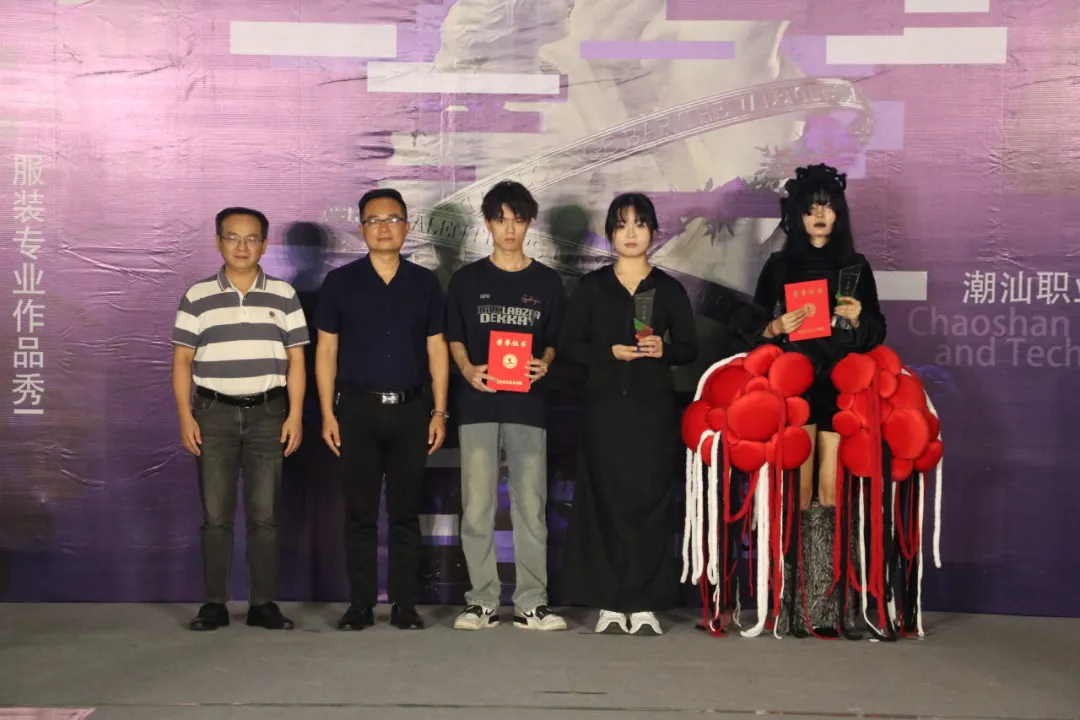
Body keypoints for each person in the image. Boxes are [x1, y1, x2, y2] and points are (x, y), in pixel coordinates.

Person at [734, 164, 887, 636]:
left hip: (839, 392)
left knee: (831, 492)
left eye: (827, 207)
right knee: (796, 495)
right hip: (796, 390)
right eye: (810, 208)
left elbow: (877, 332)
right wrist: (777, 326)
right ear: (797, 216)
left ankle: (829, 605)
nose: (819, 215)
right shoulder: (779, 267)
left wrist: (858, 318)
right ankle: (791, 603)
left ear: (839, 213)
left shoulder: (856, 267)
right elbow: (751, 324)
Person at [559, 193, 698, 635]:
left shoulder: (669, 289)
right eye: (622, 225)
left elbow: (690, 348)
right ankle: (609, 600)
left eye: (640, 224)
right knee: (604, 503)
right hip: (603, 412)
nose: (632, 233)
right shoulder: (592, 288)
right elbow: (568, 346)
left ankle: (644, 602)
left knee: (650, 504)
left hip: (652, 413)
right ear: (610, 234)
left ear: (653, 232)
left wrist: (664, 350)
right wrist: (609, 352)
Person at [314, 188, 450, 631]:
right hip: (356, 410)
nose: (384, 228)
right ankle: (360, 604)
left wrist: (439, 412)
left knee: (406, 513)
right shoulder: (340, 283)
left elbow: (437, 350)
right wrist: (328, 413)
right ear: (361, 229)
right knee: (360, 514)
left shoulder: (424, 283)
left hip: (412, 411)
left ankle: (404, 605)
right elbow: (326, 351)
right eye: (374, 221)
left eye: (392, 219)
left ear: (407, 227)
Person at [171, 207, 308, 631]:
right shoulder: (197, 296)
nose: (242, 246)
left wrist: (295, 415)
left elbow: (297, 361)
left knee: (264, 516)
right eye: (233, 237)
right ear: (218, 242)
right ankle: (214, 603)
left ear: (265, 245)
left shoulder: (284, 295)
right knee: (216, 516)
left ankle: (262, 603)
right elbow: (182, 360)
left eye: (251, 239)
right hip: (213, 414)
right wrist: (185, 416)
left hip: (269, 414)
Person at [445, 180, 567, 631]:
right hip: (477, 404)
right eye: (500, 220)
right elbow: (454, 335)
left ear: (530, 222)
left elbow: (554, 340)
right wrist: (467, 369)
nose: (509, 229)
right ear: (487, 223)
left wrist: (545, 362)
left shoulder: (547, 282)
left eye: (517, 219)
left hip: (528, 406)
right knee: (477, 506)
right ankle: (482, 601)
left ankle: (532, 602)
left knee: (529, 507)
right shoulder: (467, 280)